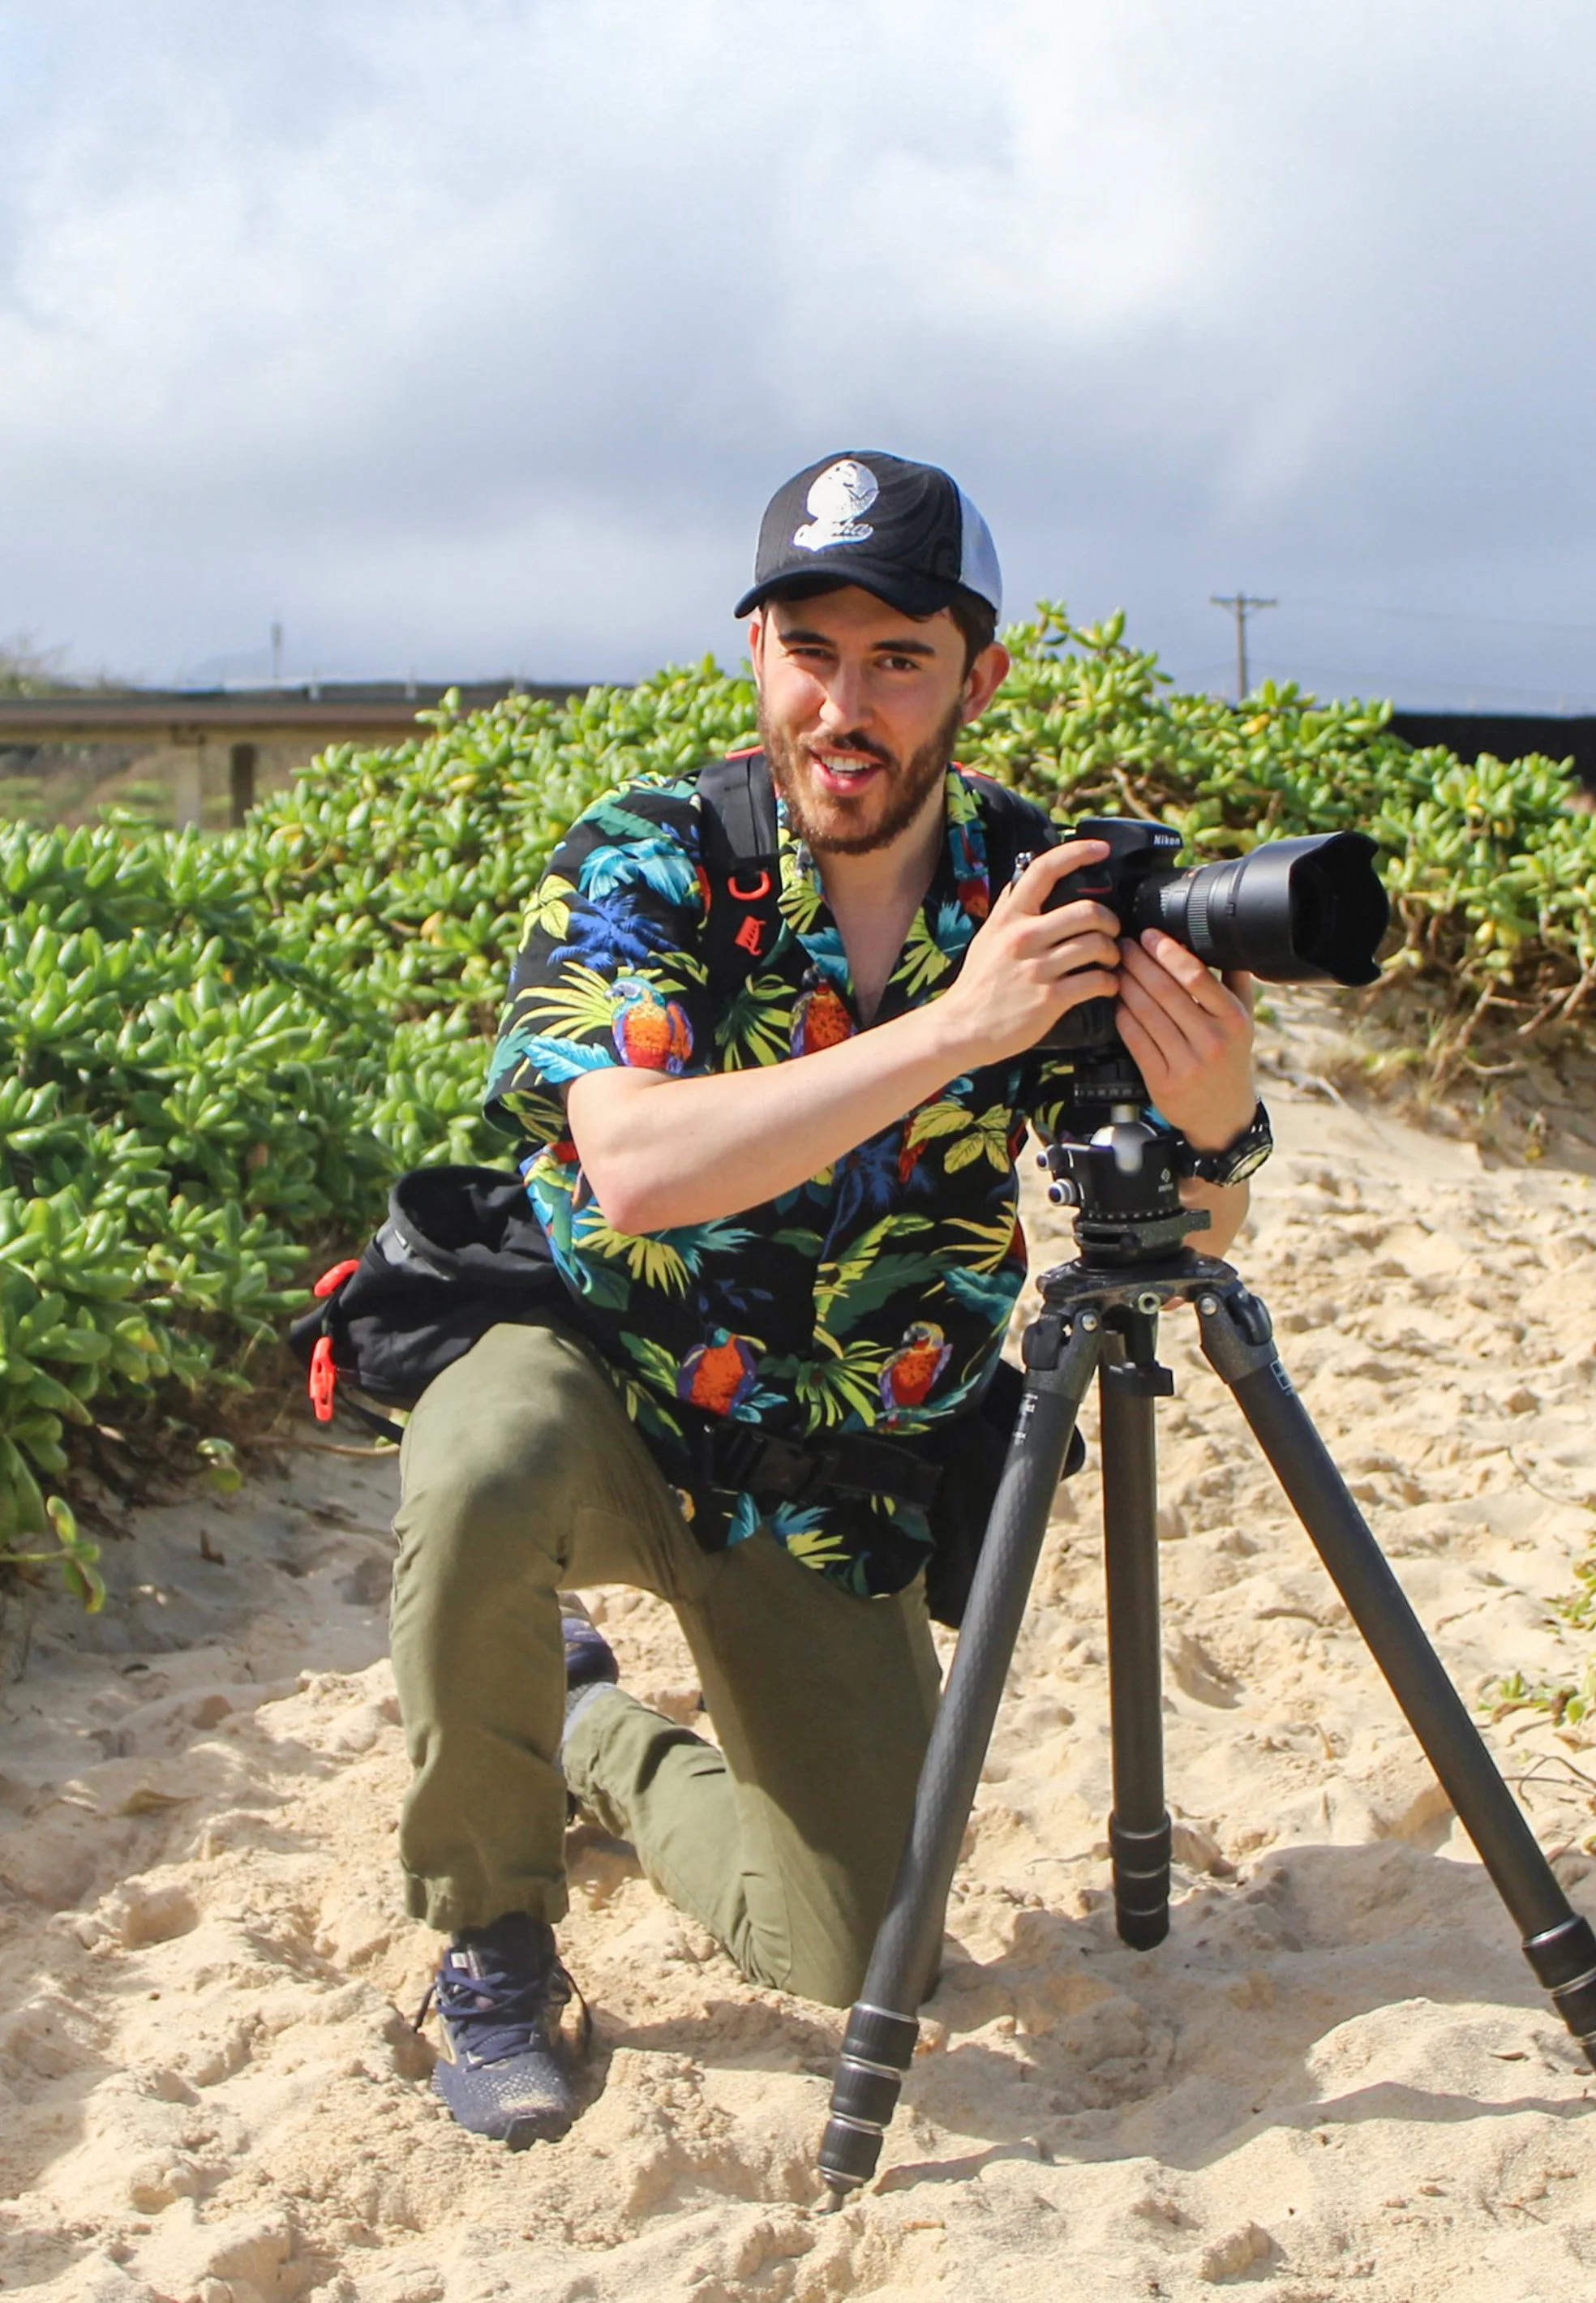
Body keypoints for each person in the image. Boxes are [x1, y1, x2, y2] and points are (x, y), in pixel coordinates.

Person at [392, 450, 1264, 2146]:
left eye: (895, 659)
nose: (841, 703)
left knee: (866, 1946)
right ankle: (488, 1934)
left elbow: (1195, 1216)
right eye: (808, 649)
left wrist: (1212, 1107)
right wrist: (956, 1028)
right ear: (757, 656)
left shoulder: (1042, 891)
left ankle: (587, 1721)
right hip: (615, 1389)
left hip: (829, 1475)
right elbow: (634, 1166)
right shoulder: (650, 855)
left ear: (977, 677)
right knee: (476, 1459)